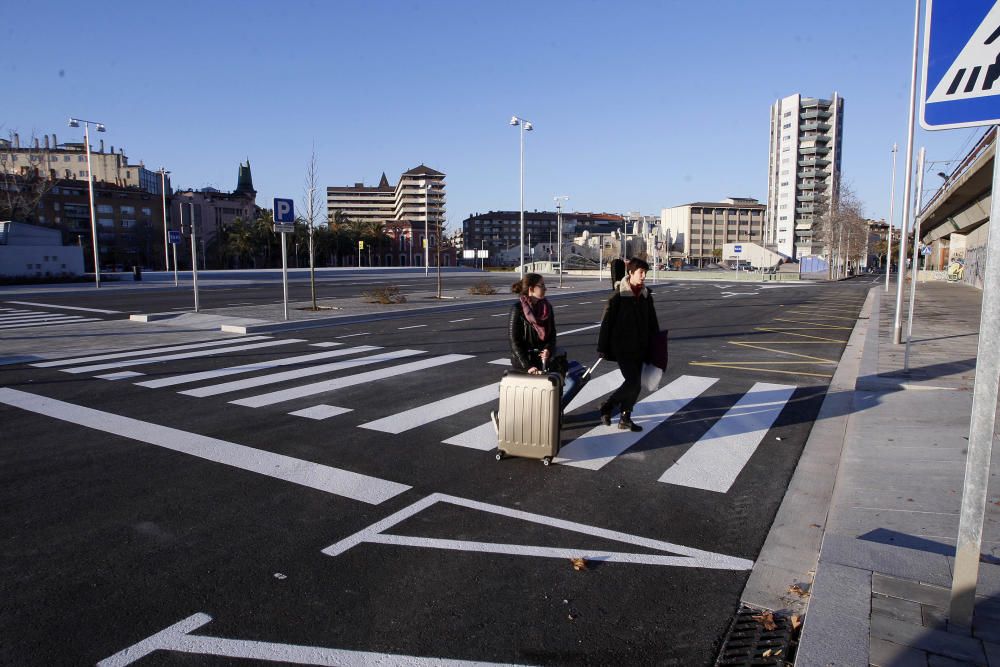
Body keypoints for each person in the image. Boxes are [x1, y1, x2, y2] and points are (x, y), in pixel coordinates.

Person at [491, 273, 582, 432]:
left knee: (551, 391)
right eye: (542, 285)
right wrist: (528, 366)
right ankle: (504, 417)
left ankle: (549, 419)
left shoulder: (547, 307)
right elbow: (514, 341)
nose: (545, 289)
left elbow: (552, 334)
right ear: (531, 289)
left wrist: (548, 349)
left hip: (544, 357)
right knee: (529, 396)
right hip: (524, 360)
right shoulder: (517, 310)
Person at [596, 257, 660, 432]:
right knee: (632, 381)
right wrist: (602, 347)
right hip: (622, 346)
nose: (644, 276)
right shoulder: (618, 296)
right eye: (641, 272)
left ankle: (625, 418)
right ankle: (608, 405)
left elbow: (652, 322)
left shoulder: (646, 296)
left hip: (642, 346)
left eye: (645, 272)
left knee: (636, 384)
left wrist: (657, 344)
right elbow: (606, 323)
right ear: (630, 273)